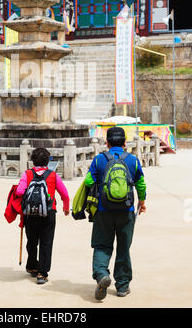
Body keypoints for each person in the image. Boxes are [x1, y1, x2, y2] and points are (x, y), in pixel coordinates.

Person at [85, 126, 146, 300]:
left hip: (103, 211)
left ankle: (102, 274)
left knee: (102, 245)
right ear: (125, 143)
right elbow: (140, 184)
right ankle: (122, 285)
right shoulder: (133, 160)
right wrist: (142, 202)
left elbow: (89, 181)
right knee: (123, 247)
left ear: (107, 143)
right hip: (126, 211)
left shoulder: (99, 160)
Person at [16, 147, 70, 284]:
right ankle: (42, 273)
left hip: (30, 214)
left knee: (32, 241)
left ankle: (32, 266)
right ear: (47, 161)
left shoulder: (27, 174)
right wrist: (65, 207)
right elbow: (64, 193)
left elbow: (19, 191)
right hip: (48, 212)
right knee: (46, 242)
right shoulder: (52, 175)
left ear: (33, 160)